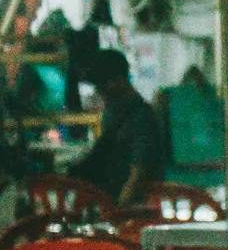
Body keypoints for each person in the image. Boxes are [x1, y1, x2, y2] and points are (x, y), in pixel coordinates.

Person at [70, 49, 165, 208]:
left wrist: (117, 212)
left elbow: (138, 174)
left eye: (102, 85)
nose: (99, 92)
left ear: (119, 80)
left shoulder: (142, 117)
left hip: (132, 211)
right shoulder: (112, 113)